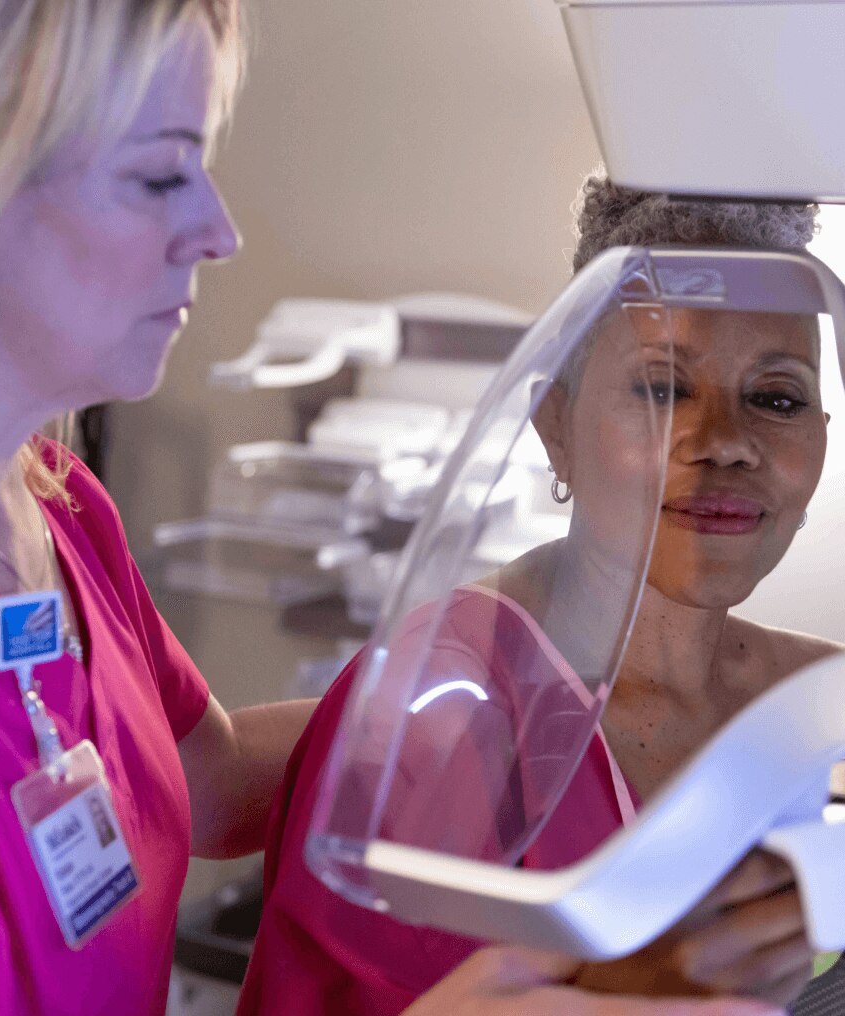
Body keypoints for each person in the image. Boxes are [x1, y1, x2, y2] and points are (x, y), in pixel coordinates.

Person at [0, 5, 799, 1014]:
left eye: (780, 397)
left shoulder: (57, 503)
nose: (219, 232)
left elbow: (206, 778)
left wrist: (482, 693)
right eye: (159, 174)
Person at [236, 178, 841, 1016]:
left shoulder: (818, 708)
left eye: (777, 398)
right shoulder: (441, 724)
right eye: (664, 390)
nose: (727, 444)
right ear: (555, 424)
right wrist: (628, 996)